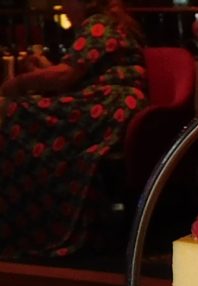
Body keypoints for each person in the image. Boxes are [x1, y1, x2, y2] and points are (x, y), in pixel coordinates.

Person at [0, 0, 147, 258]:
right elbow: (79, 72)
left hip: (107, 106)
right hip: (111, 104)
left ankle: (26, 213)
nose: (64, 9)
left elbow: (66, 75)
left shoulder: (98, 25)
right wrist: (43, 70)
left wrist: (18, 83)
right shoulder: (107, 24)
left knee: (16, 111)